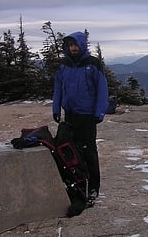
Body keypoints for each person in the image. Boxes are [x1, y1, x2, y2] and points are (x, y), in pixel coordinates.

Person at [52, 31, 108, 213]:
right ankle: (78, 184)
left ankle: (93, 188)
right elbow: (58, 88)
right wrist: (56, 108)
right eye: (70, 45)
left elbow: (102, 89)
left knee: (89, 151)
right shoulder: (64, 65)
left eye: (75, 45)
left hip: (87, 115)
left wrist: (100, 112)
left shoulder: (92, 64)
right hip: (70, 114)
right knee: (72, 150)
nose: (73, 48)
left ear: (82, 45)